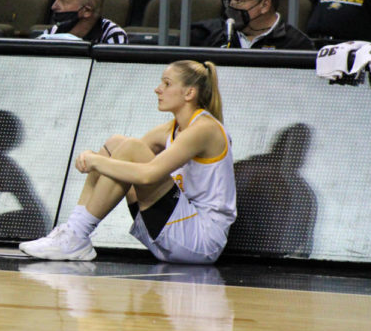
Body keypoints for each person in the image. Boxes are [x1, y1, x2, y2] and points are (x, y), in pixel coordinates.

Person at [20, 60, 236, 264]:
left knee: (129, 149)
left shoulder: (205, 129)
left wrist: (95, 161)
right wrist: (98, 156)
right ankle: (73, 232)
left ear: (189, 93)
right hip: (171, 233)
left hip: (202, 240)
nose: (158, 89)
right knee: (116, 144)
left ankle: (77, 236)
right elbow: (121, 156)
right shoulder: (172, 128)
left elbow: (148, 174)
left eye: (167, 83)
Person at [191, 0, 314, 50]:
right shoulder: (213, 35)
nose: (231, 6)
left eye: (238, 0)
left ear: (264, 5)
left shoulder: (297, 45)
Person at [38, 0, 128, 43]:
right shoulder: (51, 33)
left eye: (63, 0)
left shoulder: (113, 35)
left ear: (87, 11)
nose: (54, 6)